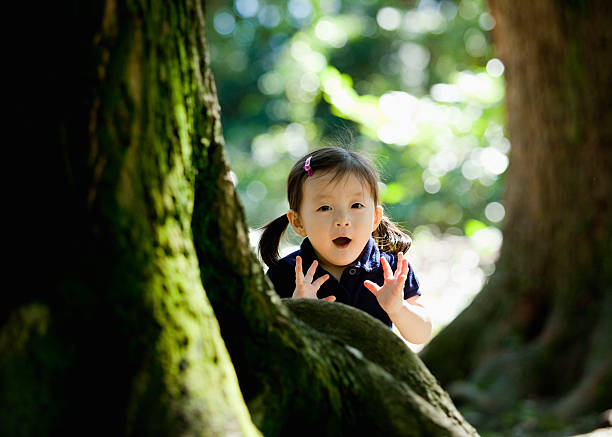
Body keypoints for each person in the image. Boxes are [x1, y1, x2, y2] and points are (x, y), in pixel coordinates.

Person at [259, 147, 432, 344]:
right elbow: (265, 342)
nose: (343, 220)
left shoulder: (390, 271)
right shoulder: (285, 274)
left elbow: (421, 334)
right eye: (325, 208)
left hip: (374, 373)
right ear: (298, 222)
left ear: (375, 217)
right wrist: (298, 310)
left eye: (356, 205)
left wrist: (398, 308)